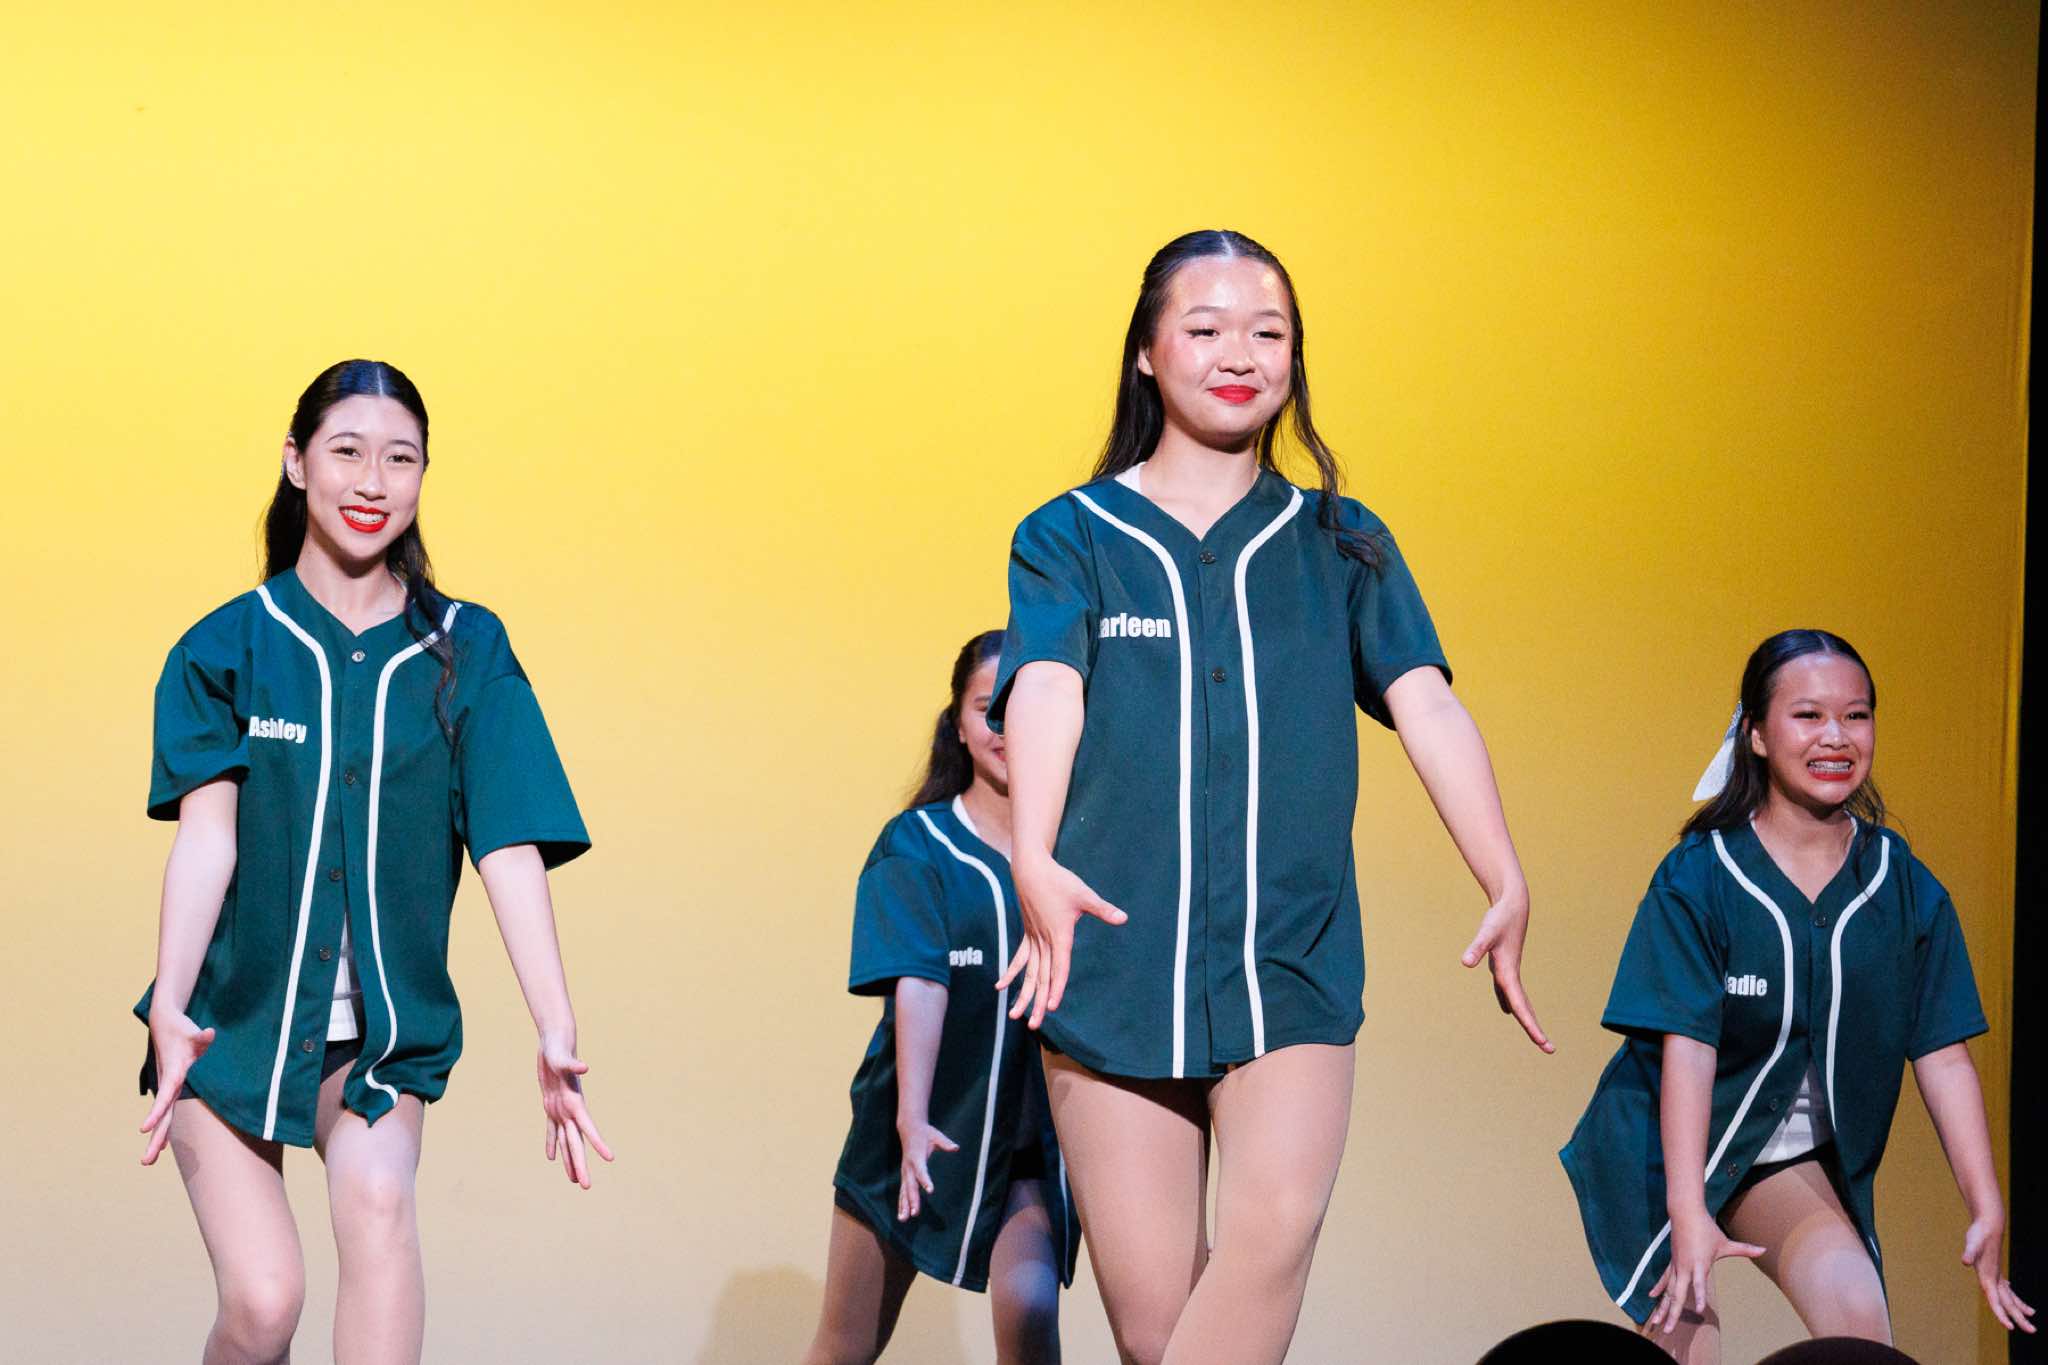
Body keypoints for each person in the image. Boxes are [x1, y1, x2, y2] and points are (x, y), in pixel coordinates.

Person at [990, 229, 1549, 1365]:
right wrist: (1032, 853)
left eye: (1268, 332)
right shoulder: (1069, 535)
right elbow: (1045, 682)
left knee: (1271, 1239)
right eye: (1204, 329)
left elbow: (1428, 703)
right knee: (1157, 1335)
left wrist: (1503, 872)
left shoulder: (1341, 542)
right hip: (1112, 961)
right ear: (1146, 352)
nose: (1238, 354)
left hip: (1290, 959)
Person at [135, 359, 613, 1365]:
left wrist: (554, 1021)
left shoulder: (467, 649)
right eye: (347, 451)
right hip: (228, 1028)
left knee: (381, 1202)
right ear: (296, 461)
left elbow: (508, 843)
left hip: (379, 1045)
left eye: (400, 459)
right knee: (265, 1303)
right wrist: (171, 1004)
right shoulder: (224, 648)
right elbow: (208, 839)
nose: (371, 481)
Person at [1560, 629, 2034, 1362]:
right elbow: (1689, 1048)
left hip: (1781, 1157)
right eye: (1808, 715)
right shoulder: (1700, 875)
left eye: (1856, 715)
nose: (1836, 737)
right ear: (1755, 733)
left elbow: (1942, 1053)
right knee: (1689, 1344)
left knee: (1858, 1325)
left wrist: (1985, 1202)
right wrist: (1688, 1212)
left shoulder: (1903, 886)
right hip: (1666, 1150)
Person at [805, 630, 1080, 1365]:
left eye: (1021, 708)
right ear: (957, 722)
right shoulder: (918, 844)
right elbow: (920, 982)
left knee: (1030, 1317)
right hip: (913, 1133)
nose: (1005, 727)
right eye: (988, 709)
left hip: (1025, 1153)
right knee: (844, 1346)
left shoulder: (1080, 852)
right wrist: (912, 1118)